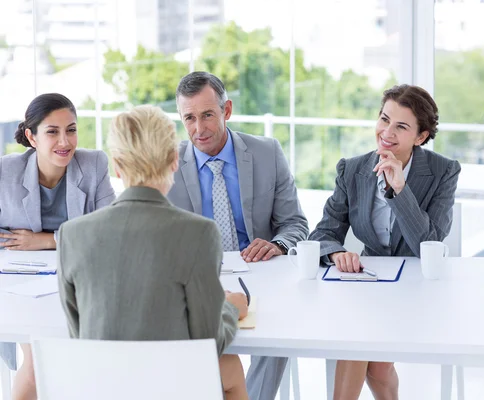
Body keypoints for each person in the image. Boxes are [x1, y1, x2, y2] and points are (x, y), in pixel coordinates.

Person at [56, 105, 249, 399]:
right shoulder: (199, 232)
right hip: (170, 388)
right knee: (230, 368)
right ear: (174, 160)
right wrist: (231, 308)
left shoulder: (72, 234)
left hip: (103, 388)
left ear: (116, 166)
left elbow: (80, 335)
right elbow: (209, 343)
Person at [308, 84, 461, 400]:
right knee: (365, 351)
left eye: (401, 126)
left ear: (420, 136)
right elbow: (323, 233)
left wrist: (400, 190)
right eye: (384, 119)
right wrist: (337, 252)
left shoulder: (443, 171)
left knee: (362, 349)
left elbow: (429, 243)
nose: (386, 132)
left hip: (420, 288)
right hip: (368, 284)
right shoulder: (352, 170)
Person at [167, 71, 309, 400]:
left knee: (277, 335)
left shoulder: (266, 152)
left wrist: (277, 244)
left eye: (207, 115)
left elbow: (296, 224)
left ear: (226, 110)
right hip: (195, 279)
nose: (199, 129)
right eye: (189, 118)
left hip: (259, 274)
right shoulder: (168, 164)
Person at [0, 93, 115, 400]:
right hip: (23, 284)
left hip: (82, 282)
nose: (65, 141)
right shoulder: (6, 172)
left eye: (71, 129)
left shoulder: (93, 165)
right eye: (52, 131)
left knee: (83, 362)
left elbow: (111, 231)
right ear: (31, 136)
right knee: (38, 361)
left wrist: (45, 241)